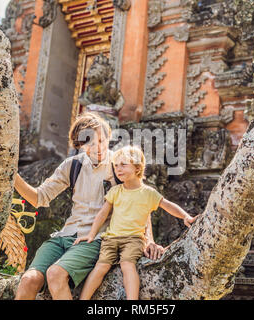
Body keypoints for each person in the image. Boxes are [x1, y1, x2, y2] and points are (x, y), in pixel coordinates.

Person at [13, 112, 164, 300]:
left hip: (95, 239)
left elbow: (139, 202)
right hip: (65, 235)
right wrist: (12, 175)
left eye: (102, 140)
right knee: (28, 279)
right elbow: (39, 197)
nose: (98, 147)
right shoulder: (72, 166)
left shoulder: (119, 166)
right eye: (90, 143)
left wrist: (148, 239)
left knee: (55, 274)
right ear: (81, 144)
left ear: (109, 137)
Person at [74, 145, 198, 300]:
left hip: (133, 239)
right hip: (111, 239)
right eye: (116, 165)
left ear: (138, 168)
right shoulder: (115, 191)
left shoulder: (148, 193)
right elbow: (102, 214)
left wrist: (186, 216)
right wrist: (91, 235)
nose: (118, 169)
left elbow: (168, 205)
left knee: (127, 265)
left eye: (123, 165)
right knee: (101, 267)